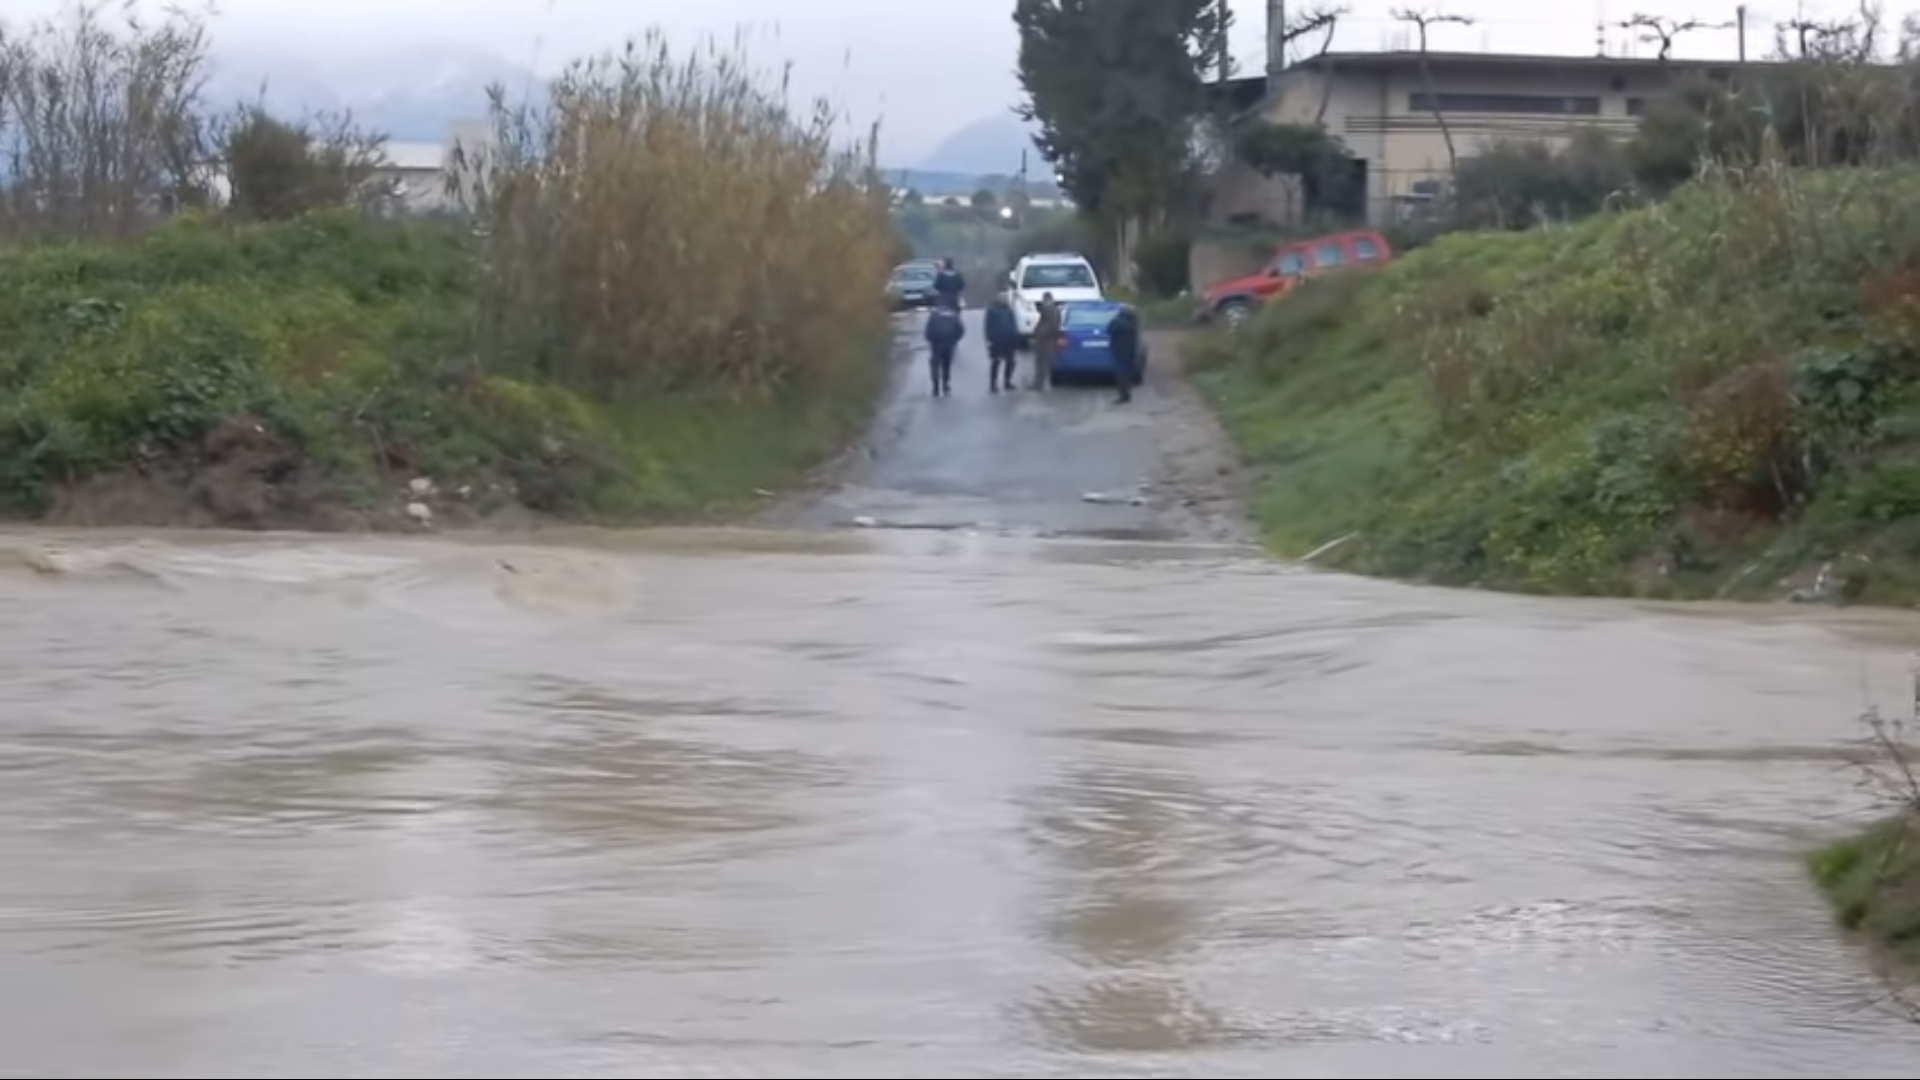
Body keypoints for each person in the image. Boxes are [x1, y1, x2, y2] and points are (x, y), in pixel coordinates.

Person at [923, 302, 964, 397]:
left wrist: (931, 340)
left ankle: (935, 386)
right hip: (949, 342)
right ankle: (945, 384)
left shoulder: (934, 315)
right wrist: (955, 340)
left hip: (936, 343)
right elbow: (960, 329)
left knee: (935, 364)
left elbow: (928, 330)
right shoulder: (953, 315)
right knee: (946, 364)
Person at [983, 290, 1020, 392]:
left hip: (1009, 339)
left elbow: (1013, 324)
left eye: (1006, 298)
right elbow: (987, 326)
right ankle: (993, 384)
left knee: (1011, 362)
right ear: (998, 299)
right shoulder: (992, 310)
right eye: (1003, 298)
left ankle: (1007, 382)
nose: (1005, 300)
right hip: (996, 340)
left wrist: (1016, 336)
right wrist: (988, 339)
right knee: (996, 362)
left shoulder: (1009, 310)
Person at [1106, 304, 1141, 404]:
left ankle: (1123, 396)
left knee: (1121, 374)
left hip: (1119, 350)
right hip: (1130, 350)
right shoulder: (1133, 322)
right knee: (1127, 372)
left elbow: (1109, 329)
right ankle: (1127, 394)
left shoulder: (1118, 321)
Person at [1030, 292, 1062, 391]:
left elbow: (1051, 325)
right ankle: (1038, 383)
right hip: (1046, 338)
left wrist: (1040, 334)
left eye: (1044, 300)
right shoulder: (1054, 310)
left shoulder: (1050, 310)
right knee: (1041, 362)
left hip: (1045, 340)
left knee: (1041, 362)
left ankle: (1038, 384)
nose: (1043, 302)